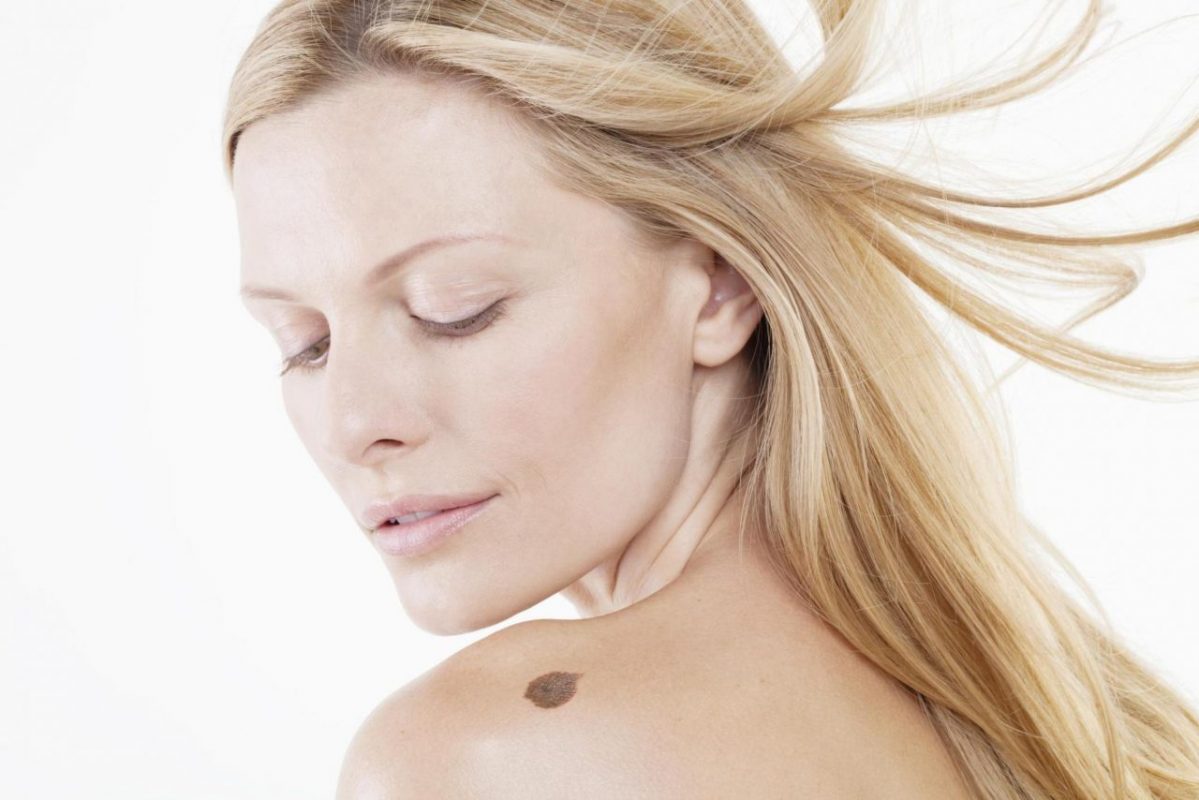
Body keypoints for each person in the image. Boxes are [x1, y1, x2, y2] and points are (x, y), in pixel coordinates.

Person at [224, 1, 1199, 797]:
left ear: (722, 285)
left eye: (455, 310)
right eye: (303, 343)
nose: (354, 422)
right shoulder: (1077, 719)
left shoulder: (479, 758)